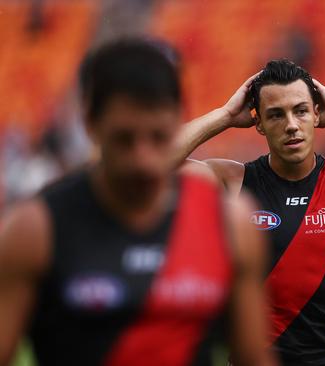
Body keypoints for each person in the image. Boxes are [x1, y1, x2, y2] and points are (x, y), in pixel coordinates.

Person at [0, 38, 273, 366]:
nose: (142, 160)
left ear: (178, 121)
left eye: (158, 137)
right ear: (90, 123)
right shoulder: (35, 230)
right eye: (124, 139)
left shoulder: (229, 225)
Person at [175, 59, 325, 365]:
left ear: (317, 113)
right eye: (276, 115)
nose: (291, 124)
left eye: (301, 110)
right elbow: (151, 168)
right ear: (259, 124)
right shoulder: (233, 183)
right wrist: (223, 116)